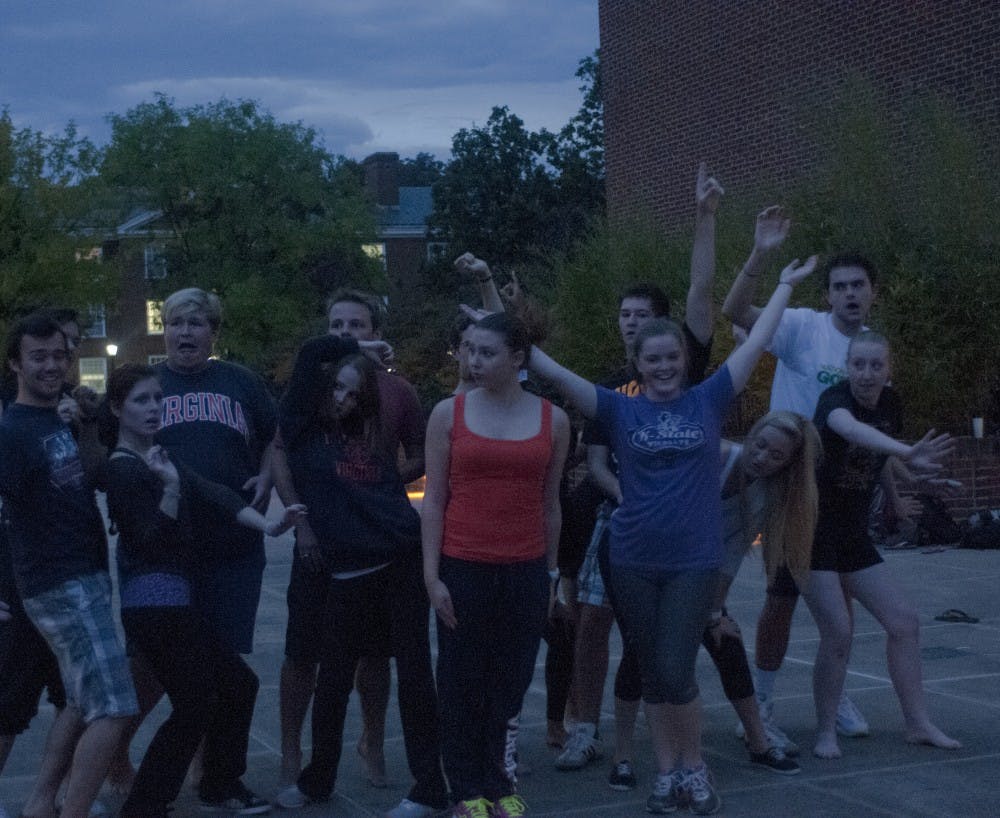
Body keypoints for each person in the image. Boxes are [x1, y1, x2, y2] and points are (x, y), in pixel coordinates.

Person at [528, 256, 817, 815]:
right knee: (654, 668)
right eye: (651, 358)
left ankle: (695, 769)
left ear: (685, 362)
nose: (662, 366)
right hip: (631, 555)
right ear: (638, 362)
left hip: (692, 560)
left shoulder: (707, 400)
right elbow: (551, 371)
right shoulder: (616, 408)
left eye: (671, 357)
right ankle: (667, 773)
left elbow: (755, 343)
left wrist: (781, 286)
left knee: (676, 666)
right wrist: (499, 312)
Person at [562, 165, 721, 789]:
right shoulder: (614, 391)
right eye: (624, 316)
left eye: (642, 314)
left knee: (675, 656)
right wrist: (625, 494)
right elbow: (596, 458)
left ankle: (690, 763)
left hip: (685, 539)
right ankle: (599, 735)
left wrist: (705, 219)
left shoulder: (687, 373)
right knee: (601, 634)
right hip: (623, 530)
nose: (632, 323)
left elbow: (700, 294)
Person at [103, 364, 306, 817]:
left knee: (236, 684)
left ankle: (216, 784)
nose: (154, 407)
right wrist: (171, 491)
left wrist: (271, 525)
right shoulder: (123, 470)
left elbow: (217, 495)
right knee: (197, 701)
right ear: (117, 408)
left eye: (158, 399)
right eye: (141, 400)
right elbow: (150, 540)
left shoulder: (159, 458)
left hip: (178, 602)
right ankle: (149, 802)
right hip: (154, 606)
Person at [273, 334, 449, 818]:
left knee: (414, 675)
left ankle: (429, 786)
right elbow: (309, 353)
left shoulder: (361, 435)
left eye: (353, 393)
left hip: (399, 563)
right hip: (346, 573)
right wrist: (356, 344)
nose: (342, 400)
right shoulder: (301, 429)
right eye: (337, 388)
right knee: (331, 681)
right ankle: (317, 780)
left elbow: (398, 478)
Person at [723, 226, 881, 745]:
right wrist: (763, 262)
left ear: (872, 292)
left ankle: (832, 696)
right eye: (840, 286)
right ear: (827, 294)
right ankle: (762, 699)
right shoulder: (802, 328)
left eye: (859, 285)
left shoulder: (870, 349)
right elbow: (737, 311)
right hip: (790, 486)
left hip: (843, 494)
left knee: (842, 599)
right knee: (781, 595)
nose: (850, 293)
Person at [423, 312, 570, 818]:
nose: (473, 360)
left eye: (486, 352)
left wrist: (551, 574)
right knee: (462, 679)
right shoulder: (448, 413)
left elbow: (552, 504)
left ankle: (499, 777)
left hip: (525, 567)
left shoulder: (553, 419)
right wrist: (431, 576)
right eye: (468, 350)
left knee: (511, 679)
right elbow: (435, 498)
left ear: (517, 359)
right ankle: (465, 787)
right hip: (464, 564)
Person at [0, 312, 138, 818]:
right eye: (39, 356)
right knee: (116, 704)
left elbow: (89, 479)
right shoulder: (12, 431)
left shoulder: (55, 418)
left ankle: (42, 805)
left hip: (85, 575)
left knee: (81, 700)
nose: (53, 365)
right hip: (58, 582)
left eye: (60, 355)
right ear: (16, 363)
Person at [800, 331, 959, 758]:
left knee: (904, 622)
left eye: (876, 366)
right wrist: (908, 451)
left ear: (889, 370)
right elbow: (852, 431)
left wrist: (896, 497)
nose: (867, 374)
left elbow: (877, 456)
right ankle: (826, 730)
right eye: (858, 365)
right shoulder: (834, 402)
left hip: (851, 532)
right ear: (846, 367)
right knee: (838, 629)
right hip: (811, 531)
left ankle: (917, 723)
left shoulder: (890, 404)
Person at [701, 411, 822, 777]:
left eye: (777, 456)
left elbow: (734, 551)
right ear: (750, 435)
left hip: (704, 573)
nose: (763, 458)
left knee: (727, 640)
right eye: (761, 445)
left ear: (789, 464)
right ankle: (592, 731)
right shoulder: (716, 457)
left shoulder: (769, 495)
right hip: (660, 563)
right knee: (646, 659)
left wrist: (714, 611)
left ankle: (759, 739)